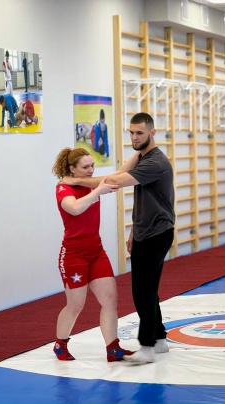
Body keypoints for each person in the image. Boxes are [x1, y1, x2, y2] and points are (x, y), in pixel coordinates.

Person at [62, 112, 175, 364]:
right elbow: (144, 200)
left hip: (157, 233)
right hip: (146, 231)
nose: (134, 137)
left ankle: (147, 347)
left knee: (142, 291)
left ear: (152, 133)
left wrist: (76, 180)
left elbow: (115, 180)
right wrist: (134, 231)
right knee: (148, 288)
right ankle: (158, 339)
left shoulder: (155, 162)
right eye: (131, 133)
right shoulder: (143, 156)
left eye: (139, 133)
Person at [52, 147, 133, 362]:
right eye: (85, 167)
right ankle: (60, 344)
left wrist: (141, 149)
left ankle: (112, 348)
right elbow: (74, 208)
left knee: (110, 300)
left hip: (96, 250)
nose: (91, 170)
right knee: (75, 305)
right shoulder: (63, 188)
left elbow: (119, 174)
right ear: (72, 169)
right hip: (74, 254)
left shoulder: (91, 183)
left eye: (92, 166)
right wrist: (97, 191)